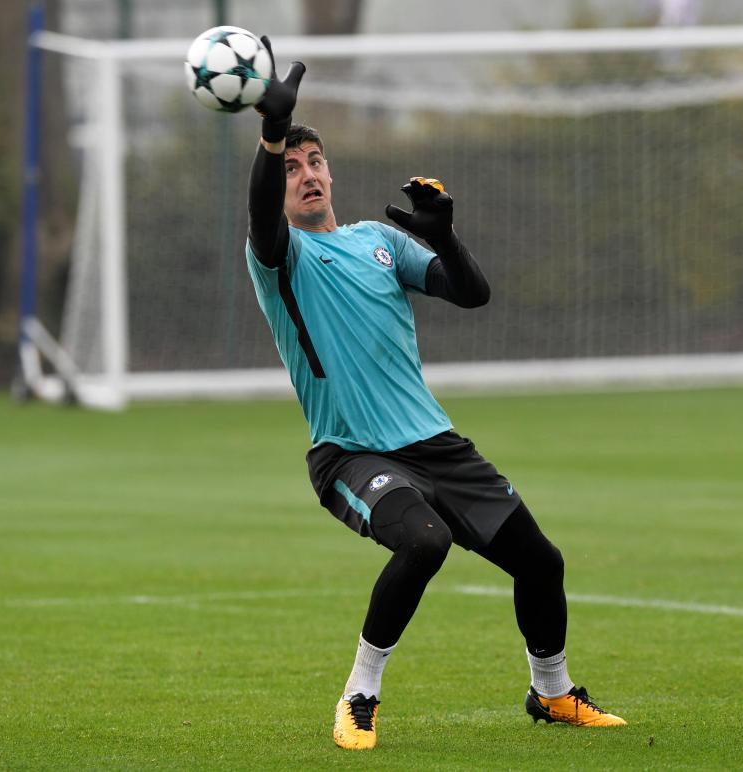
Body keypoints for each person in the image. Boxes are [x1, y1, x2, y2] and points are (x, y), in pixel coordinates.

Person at [244, 38, 628, 751]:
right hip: (351, 454)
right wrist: (270, 136)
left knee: (541, 563)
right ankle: (360, 694)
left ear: (332, 170)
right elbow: (263, 219)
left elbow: (471, 294)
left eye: (314, 160)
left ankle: (552, 694)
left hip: (437, 446)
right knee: (424, 541)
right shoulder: (282, 258)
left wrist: (445, 238)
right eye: (292, 167)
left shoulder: (378, 243)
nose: (306, 175)